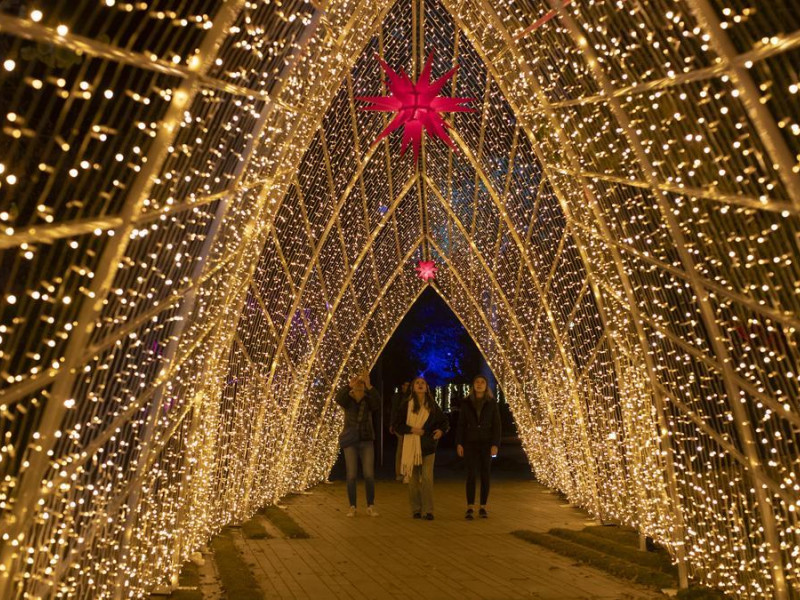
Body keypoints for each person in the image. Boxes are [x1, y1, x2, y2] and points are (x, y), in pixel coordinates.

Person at [392, 377, 449, 520]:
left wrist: (441, 431)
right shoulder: (406, 405)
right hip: (411, 446)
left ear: (427, 387)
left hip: (428, 446)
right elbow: (397, 425)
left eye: (423, 383)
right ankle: (416, 509)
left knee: (427, 478)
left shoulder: (432, 405)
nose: (420, 385)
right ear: (412, 387)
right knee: (413, 479)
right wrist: (412, 429)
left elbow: (444, 422)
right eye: (417, 383)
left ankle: (428, 510)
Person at [335, 369, 381, 517]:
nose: (359, 386)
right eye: (358, 384)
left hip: (366, 440)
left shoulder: (368, 400)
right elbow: (339, 398)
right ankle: (352, 506)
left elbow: (377, 404)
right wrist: (349, 386)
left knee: (368, 474)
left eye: (361, 384)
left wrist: (370, 386)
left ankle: (370, 505)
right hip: (351, 441)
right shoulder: (348, 401)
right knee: (351, 475)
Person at [456, 374, 501, 519]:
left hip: (486, 442)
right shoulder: (467, 403)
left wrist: (495, 444)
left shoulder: (491, 403)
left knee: (485, 474)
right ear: (473, 385)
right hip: (471, 441)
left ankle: (483, 506)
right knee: (471, 474)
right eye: (477, 382)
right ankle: (470, 506)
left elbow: (497, 425)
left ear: (486, 386)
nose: (480, 384)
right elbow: (461, 424)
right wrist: (459, 443)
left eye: (482, 382)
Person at [389, 381, 411, 481]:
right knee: (401, 448)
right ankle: (400, 472)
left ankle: (406, 472)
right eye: (405, 385)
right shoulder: (398, 397)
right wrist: (393, 424)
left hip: (408, 425)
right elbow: (394, 411)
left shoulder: (410, 397)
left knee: (406, 449)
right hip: (401, 426)